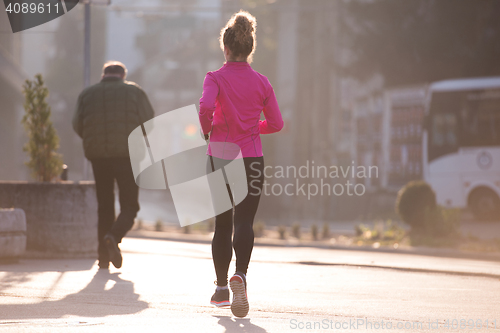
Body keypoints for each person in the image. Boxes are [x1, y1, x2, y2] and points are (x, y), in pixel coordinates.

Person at [199, 11, 284, 318]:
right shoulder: (262, 82)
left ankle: (222, 288)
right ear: (250, 48)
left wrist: (207, 128)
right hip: (251, 158)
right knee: (244, 221)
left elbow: (206, 106)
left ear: (226, 48)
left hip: (220, 155)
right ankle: (241, 276)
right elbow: (276, 123)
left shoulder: (215, 78)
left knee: (222, 224)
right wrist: (253, 128)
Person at [72, 61, 155, 270]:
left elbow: (77, 124)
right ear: (122, 75)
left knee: (105, 206)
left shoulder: (87, 94)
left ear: (104, 75)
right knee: (130, 206)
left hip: (98, 158)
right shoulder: (134, 92)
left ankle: (103, 257)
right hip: (127, 156)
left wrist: (94, 141)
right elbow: (149, 121)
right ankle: (113, 236)